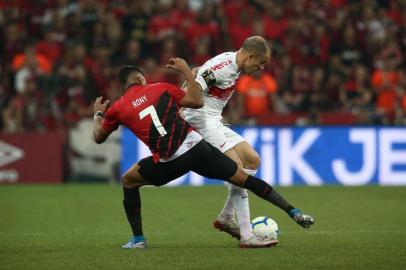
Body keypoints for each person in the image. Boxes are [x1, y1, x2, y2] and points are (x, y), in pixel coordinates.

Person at [92, 58, 314, 249]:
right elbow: (197, 101)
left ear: (123, 88)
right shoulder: (160, 88)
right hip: (198, 148)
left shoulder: (118, 108)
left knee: (129, 180)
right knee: (242, 178)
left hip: (169, 162)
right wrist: (188, 72)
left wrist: (98, 115)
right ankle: (293, 211)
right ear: (141, 79)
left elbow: (98, 137)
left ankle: (138, 239)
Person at [181, 36, 272, 244]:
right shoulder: (221, 67)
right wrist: (178, 115)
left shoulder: (236, 66)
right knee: (237, 169)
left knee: (252, 160)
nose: (261, 67)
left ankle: (225, 217)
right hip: (200, 119)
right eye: (261, 62)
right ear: (249, 56)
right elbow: (191, 87)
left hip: (214, 120)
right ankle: (247, 236)